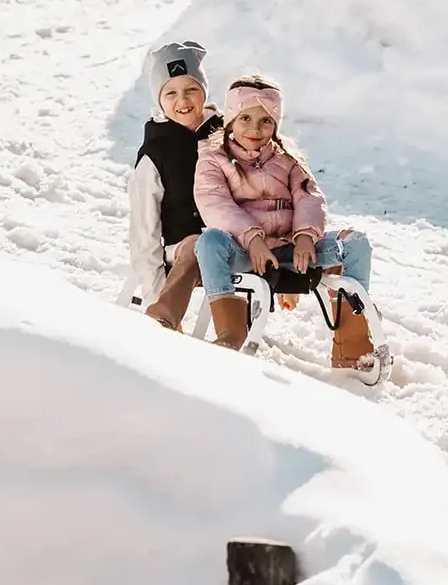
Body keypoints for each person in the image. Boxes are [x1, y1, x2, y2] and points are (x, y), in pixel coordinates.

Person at [193, 74, 376, 368]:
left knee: (355, 244)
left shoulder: (288, 159)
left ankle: (352, 346)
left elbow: (309, 197)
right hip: (243, 251)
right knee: (208, 242)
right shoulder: (213, 159)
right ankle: (230, 333)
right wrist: (252, 239)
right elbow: (215, 203)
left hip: (291, 249)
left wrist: (305, 236)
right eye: (245, 118)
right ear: (230, 120)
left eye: (266, 121)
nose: (255, 129)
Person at [128, 40, 223, 331]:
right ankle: (165, 317)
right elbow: (144, 232)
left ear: (204, 91)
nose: (183, 101)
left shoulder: (225, 136)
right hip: (182, 247)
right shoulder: (156, 153)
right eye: (170, 93)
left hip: (231, 241)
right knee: (197, 245)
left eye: (191, 89)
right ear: (159, 100)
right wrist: (155, 293)